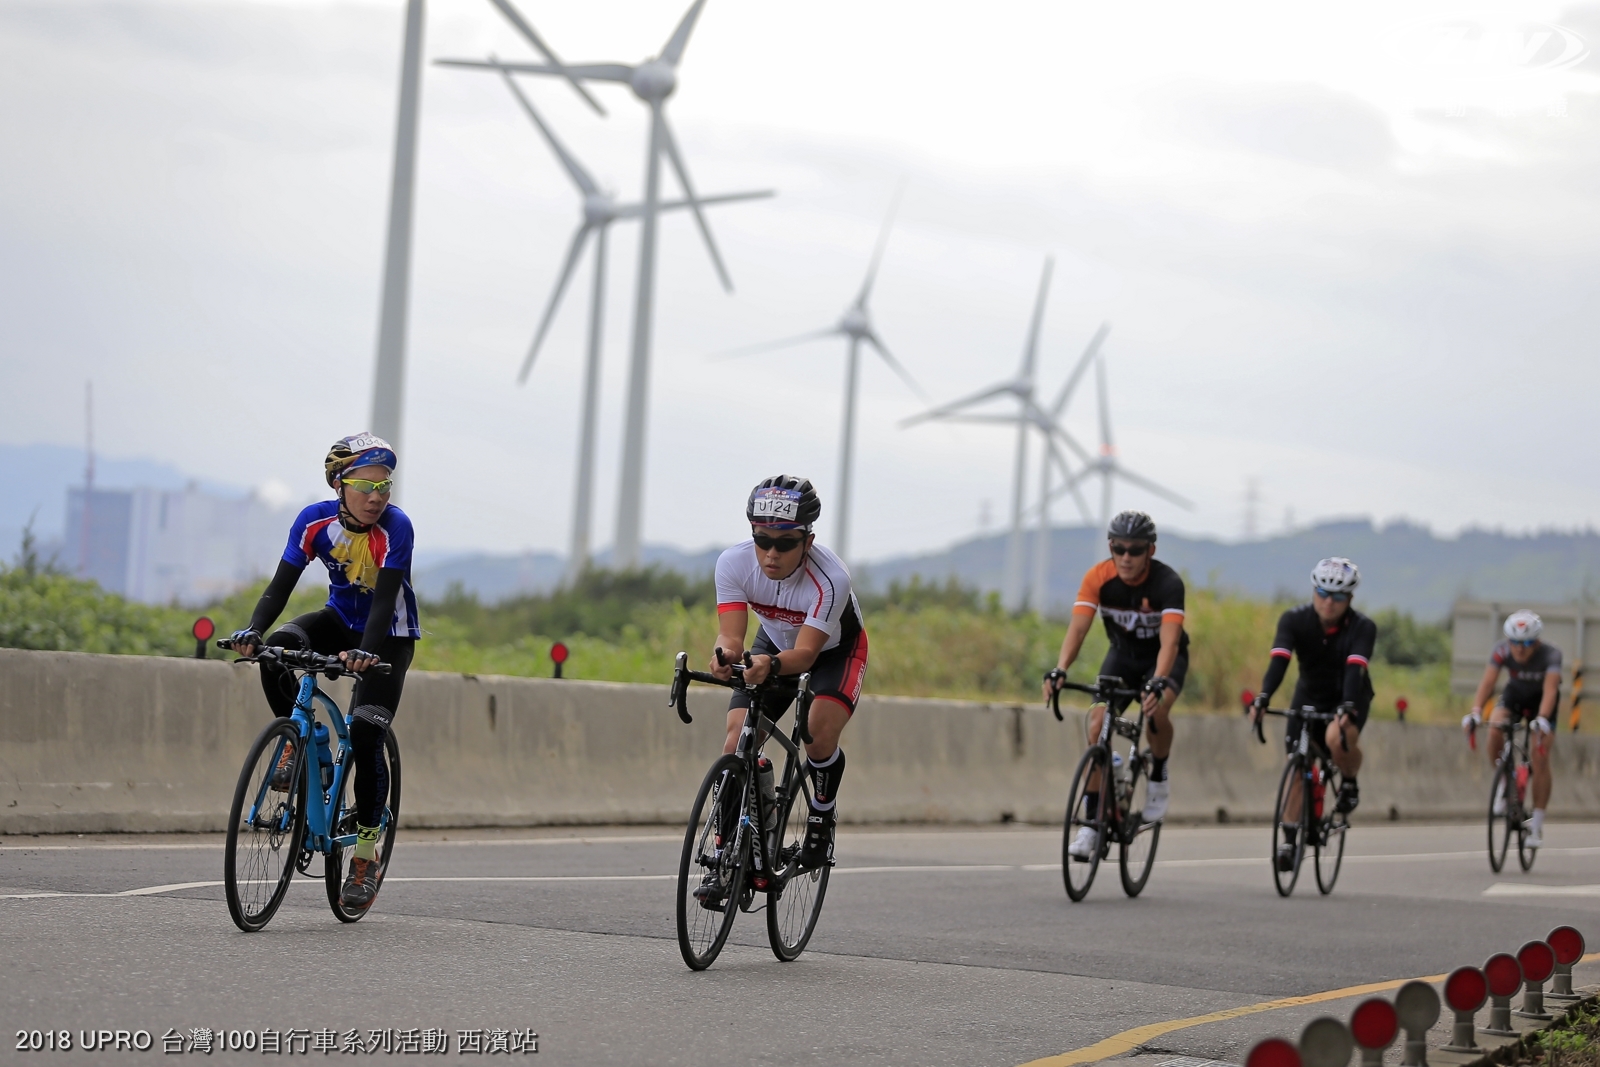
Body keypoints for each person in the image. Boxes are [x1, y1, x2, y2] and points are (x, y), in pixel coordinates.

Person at [230, 433, 420, 911]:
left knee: (364, 735)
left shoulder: (397, 528)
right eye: (365, 485)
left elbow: (383, 603)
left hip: (389, 637)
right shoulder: (312, 522)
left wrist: (365, 654)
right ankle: (302, 743)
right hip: (338, 620)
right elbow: (280, 587)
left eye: (385, 486)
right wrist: (253, 630)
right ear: (339, 484)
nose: (377, 496)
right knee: (276, 651)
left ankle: (363, 854)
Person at [704, 476, 867, 894]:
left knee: (817, 734)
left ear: (807, 542)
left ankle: (820, 818)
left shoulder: (831, 579)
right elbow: (732, 637)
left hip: (833, 652)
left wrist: (769, 665)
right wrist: (725, 657)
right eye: (762, 539)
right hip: (772, 643)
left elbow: (807, 656)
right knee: (735, 743)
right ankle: (725, 855)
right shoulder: (733, 563)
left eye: (786, 543)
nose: (771, 553)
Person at [1045, 510, 1187, 861]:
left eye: (1135, 550)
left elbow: (1169, 642)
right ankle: (1092, 826)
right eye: (1118, 548)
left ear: (1150, 551)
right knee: (1097, 725)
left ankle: (1158, 773)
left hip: (1163, 659)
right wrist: (1060, 668)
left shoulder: (1168, 583)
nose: (1125, 557)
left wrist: (1157, 682)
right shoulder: (1098, 577)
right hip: (1122, 658)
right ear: (1110, 546)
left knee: (1158, 710)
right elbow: (1077, 629)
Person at [1248, 557, 1374, 871]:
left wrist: (1346, 707)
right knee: (1296, 765)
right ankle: (1290, 840)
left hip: (1348, 694)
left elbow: (1354, 669)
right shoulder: (1294, 619)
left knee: (1336, 737)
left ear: (1350, 599)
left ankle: (1348, 781)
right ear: (1313, 591)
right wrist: (1263, 697)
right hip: (1309, 694)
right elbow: (1279, 662)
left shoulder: (1362, 627)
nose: (1328, 602)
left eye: (1338, 597)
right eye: (1322, 593)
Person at [1463, 610, 1560, 848]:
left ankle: (1536, 823)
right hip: (1514, 696)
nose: (1520, 648)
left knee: (1540, 758)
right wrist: (1476, 711)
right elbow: (1488, 682)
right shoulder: (1501, 650)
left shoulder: (1551, 655)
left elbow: (1550, 690)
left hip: (1542, 704)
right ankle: (1506, 783)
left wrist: (1543, 718)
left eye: (1526, 643)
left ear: (1536, 641)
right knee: (1495, 727)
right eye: (1515, 642)